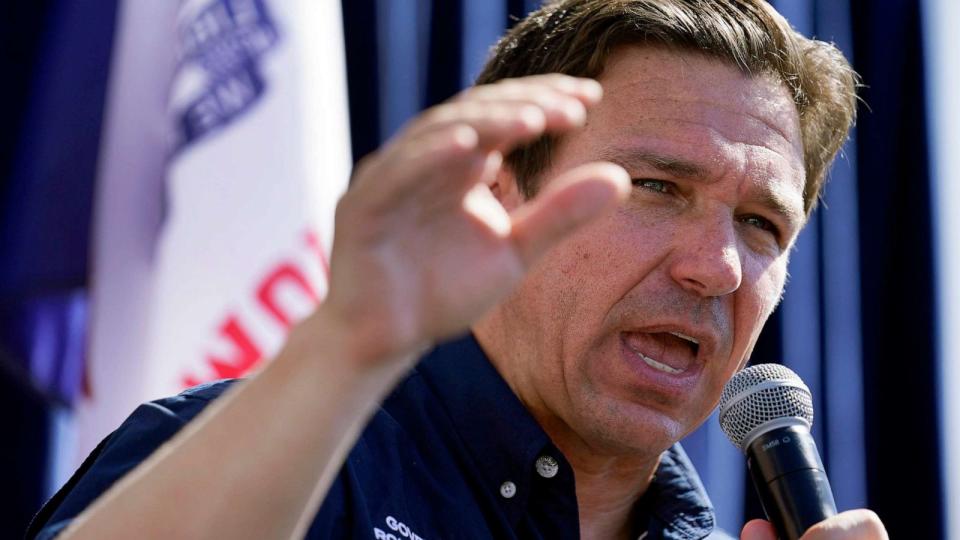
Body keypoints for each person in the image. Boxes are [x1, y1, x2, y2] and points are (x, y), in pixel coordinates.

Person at [28, 1, 888, 539]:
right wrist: (344, 345)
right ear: (501, 187)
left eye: (760, 224)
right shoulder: (272, 471)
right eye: (657, 187)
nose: (718, 268)